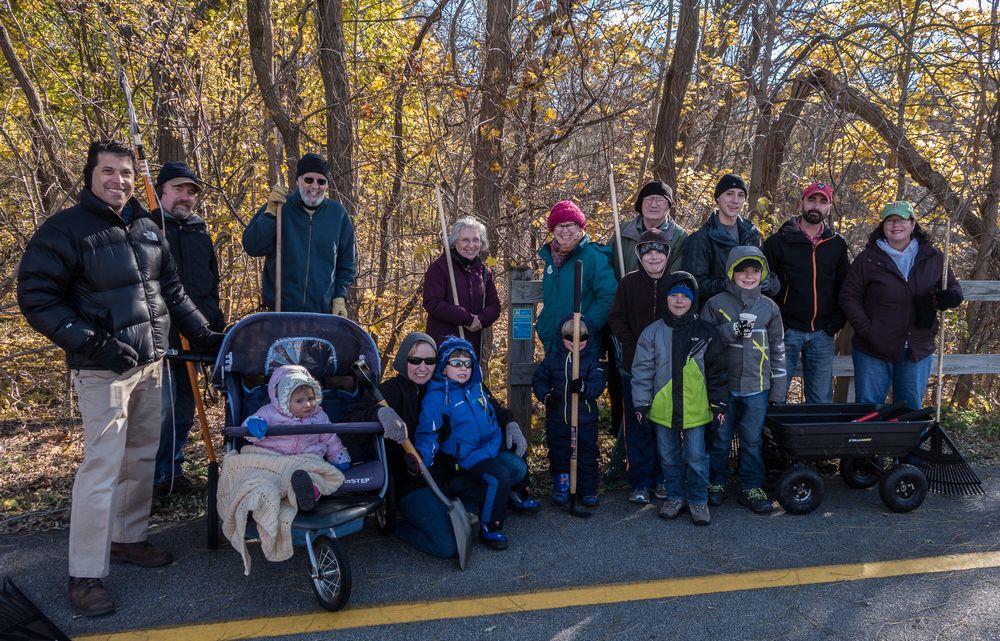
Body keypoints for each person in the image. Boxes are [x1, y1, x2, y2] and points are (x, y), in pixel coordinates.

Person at [16, 139, 224, 617]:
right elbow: (37, 297)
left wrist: (208, 336)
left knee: (140, 458)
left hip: (151, 365)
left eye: (127, 173)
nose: (119, 180)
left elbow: (170, 290)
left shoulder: (147, 226)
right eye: (109, 171)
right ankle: (85, 573)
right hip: (101, 369)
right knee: (102, 468)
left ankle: (129, 538)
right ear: (90, 176)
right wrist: (94, 343)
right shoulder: (66, 230)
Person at [376, 333, 532, 558]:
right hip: (416, 481)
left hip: (453, 470)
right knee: (448, 546)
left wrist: (509, 422)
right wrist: (379, 412)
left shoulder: (455, 382)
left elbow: (488, 401)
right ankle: (399, 527)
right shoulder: (393, 391)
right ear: (403, 360)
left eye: (429, 361)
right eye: (415, 360)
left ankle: (470, 505)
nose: (422, 367)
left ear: (437, 364)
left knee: (514, 469)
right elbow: (360, 411)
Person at [147, 161, 226, 497]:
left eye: (191, 191)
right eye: (178, 189)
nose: (185, 196)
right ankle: (152, 479)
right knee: (161, 411)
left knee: (184, 407)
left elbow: (209, 284)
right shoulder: (147, 229)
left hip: (196, 334)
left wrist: (213, 325)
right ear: (160, 191)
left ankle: (172, 472)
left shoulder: (198, 231)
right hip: (160, 338)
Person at [839, 201, 963, 410]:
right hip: (874, 347)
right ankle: (871, 444)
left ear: (913, 224)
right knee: (869, 410)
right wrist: (868, 330)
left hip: (917, 347)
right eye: (890, 220)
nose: (896, 225)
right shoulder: (868, 259)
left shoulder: (934, 258)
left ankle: (905, 445)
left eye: (901, 219)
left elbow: (954, 289)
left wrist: (949, 297)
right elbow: (848, 296)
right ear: (883, 226)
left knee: (909, 410)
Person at [631, 273, 727, 525]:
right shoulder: (652, 333)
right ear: (666, 299)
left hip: (696, 408)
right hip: (663, 408)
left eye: (685, 296)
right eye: (674, 295)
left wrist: (719, 403)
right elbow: (642, 370)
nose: (679, 300)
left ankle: (697, 499)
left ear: (693, 300)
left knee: (696, 456)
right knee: (669, 457)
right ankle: (674, 495)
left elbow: (717, 371)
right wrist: (641, 403)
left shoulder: (706, 332)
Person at [701, 246, 787, 514]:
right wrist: (732, 330)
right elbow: (704, 342)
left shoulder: (769, 307)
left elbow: (779, 348)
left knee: (752, 439)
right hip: (724, 387)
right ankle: (716, 481)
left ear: (762, 274)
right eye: (742, 271)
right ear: (731, 272)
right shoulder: (716, 304)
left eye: (754, 271)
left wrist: (778, 389)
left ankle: (751, 485)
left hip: (757, 387)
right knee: (719, 437)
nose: (749, 276)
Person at [762, 182, 849, 403]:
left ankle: (815, 438)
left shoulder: (836, 244)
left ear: (829, 207)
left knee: (820, 400)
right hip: (786, 332)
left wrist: (834, 325)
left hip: (823, 332)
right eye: (811, 200)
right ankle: (772, 438)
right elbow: (763, 288)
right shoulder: (777, 243)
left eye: (822, 202)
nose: (816, 206)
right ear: (801, 203)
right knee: (776, 396)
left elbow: (844, 287)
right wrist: (780, 323)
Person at [242, 153, 356, 314]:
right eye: (308, 180)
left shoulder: (338, 215)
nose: (314, 186)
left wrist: (339, 297)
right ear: (298, 181)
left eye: (321, 181)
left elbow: (346, 263)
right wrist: (269, 214)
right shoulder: (280, 208)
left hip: (322, 315)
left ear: (326, 185)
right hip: (280, 314)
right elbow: (252, 246)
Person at [607, 229, 672, 504]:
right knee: (638, 424)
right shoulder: (629, 284)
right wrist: (632, 346)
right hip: (634, 367)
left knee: (665, 424)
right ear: (639, 256)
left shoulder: (675, 282)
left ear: (668, 255)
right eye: (647, 252)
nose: (654, 256)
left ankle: (662, 478)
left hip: (668, 367)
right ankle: (640, 481)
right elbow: (616, 319)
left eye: (659, 251)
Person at [242, 365, 351, 512]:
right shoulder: (269, 412)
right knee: (263, 473)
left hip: (307, 459)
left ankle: (309, 493)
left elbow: (330, 438)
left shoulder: (319, 416)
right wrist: (253, 426)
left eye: (311, 398)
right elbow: (250, 432)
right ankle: (266, 495)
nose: (308, 404)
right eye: (299, 401)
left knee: (318, 472)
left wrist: (338, 456)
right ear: (285, 401)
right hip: (276, 458)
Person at [532, 316, 607, 506]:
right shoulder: (552, 360)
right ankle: (562, 487)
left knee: (587, 455)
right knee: (559, 454)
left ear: (588, 339)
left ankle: (587, 489)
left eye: (581, 337)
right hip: (558, 419)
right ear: (561, 337)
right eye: (569, 337)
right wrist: (546, 396)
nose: (575, 342)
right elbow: (539, 381)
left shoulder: (592, 361)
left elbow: (598, 384)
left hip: (584, 420)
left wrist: (584, 388)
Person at [535, 200, 617, 354]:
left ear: (579, 227)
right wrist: (543, 324)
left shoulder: (593, 256)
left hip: (582, 345)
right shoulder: (551, 259)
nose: (564, 230)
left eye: (570, 224)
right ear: (553, 230)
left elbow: (609, 296)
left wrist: (585, 327)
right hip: (554, 343)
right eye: (559, 225)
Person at [683, 173, 777, 307]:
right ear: (718, 198)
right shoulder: (701, 238)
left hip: (749, 312)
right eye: (729, 193)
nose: (735, 200)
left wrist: (770, 282)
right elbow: (694, 284)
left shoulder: (751, 232)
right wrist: (731, 283)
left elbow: (763, 270)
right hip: (717, 315)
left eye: (740, 195)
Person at [422, 217, 501, 358]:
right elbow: (432, 303)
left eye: (475, 240)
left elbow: (494, 306)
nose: (471, 245)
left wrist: (480, 320)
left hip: (472, 347)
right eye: (465, 240)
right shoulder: (440, 268)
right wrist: (466, 318)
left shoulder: (484, 272)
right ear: (454, 242)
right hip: (444, 347)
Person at [607, 180, 688, 278]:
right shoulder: (623, 230)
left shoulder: (679, 236)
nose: (654, 204)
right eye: (648, 199)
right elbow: (607, 264)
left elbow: (676, 275)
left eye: (660, 200)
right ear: (641, 204)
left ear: (668, 206)